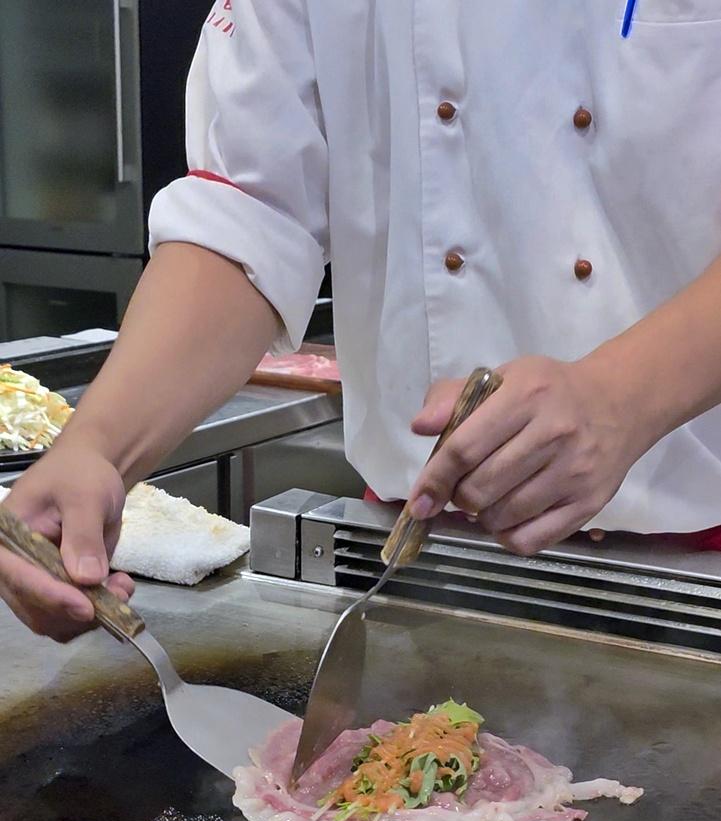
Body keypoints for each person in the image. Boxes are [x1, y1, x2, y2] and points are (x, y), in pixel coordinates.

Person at [3, 1, 721, 642]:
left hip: (701, 556)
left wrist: (621, 396)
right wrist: (97, 448)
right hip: (416, 560)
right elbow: (250, 214)